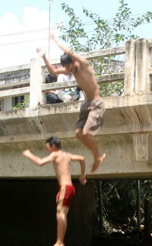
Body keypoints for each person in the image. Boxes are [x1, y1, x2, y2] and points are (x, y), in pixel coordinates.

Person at [37, 33, 106, 173]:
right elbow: (52, 71)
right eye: (68, 71)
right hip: (87, 104)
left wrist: (55, 40)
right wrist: (44, 56)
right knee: (78, 133)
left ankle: (98, 155)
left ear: (74, 61)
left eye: (70, 68)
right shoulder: (70, 70)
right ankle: (97, 155)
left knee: (85, 133)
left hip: (97, 104)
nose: (70, 72)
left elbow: (69, 52)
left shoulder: (84, 64)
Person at [22, 136, 86, 246]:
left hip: (65, 188)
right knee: (62, 213)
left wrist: (29, 154)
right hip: (70, 188)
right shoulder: (67, 155)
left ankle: (59, 242)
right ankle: (59, 241)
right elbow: (82, 158)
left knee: (60, 213)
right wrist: (82, 176)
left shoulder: (55, 154)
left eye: (48, 148)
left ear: (54, 146)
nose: (48, 151)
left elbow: (40, 162)